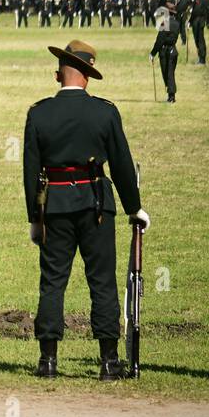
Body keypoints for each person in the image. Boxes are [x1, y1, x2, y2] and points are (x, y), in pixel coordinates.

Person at [24, 40, 147, 380]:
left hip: (55, 205)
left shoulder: (39, 112)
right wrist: (133, 208)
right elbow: (121, 165)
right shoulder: (105, 111)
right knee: (102, 282)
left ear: (57, 75)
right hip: (96, 204)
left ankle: (47, 361)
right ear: (88, 77)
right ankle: (108, 362)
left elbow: (31, 170)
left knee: (52, 283)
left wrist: (35, 218)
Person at [151, 4, 180, 103]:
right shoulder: (176, 23)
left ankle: (171, 96)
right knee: (170, 73)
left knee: (167, 74)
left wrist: (152, 53)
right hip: (173, 50)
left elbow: (160, 40)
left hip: (165, 52)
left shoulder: (165, 23)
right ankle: (171, 94)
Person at [189, 0, 209, 65]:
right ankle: (200, 57)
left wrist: (207, 22)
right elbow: (194, 11)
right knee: (197, 40)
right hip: (195, 22)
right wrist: (190, 21)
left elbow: (199, 11)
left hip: (199, 21)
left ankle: (202, 59)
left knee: (200, 40)